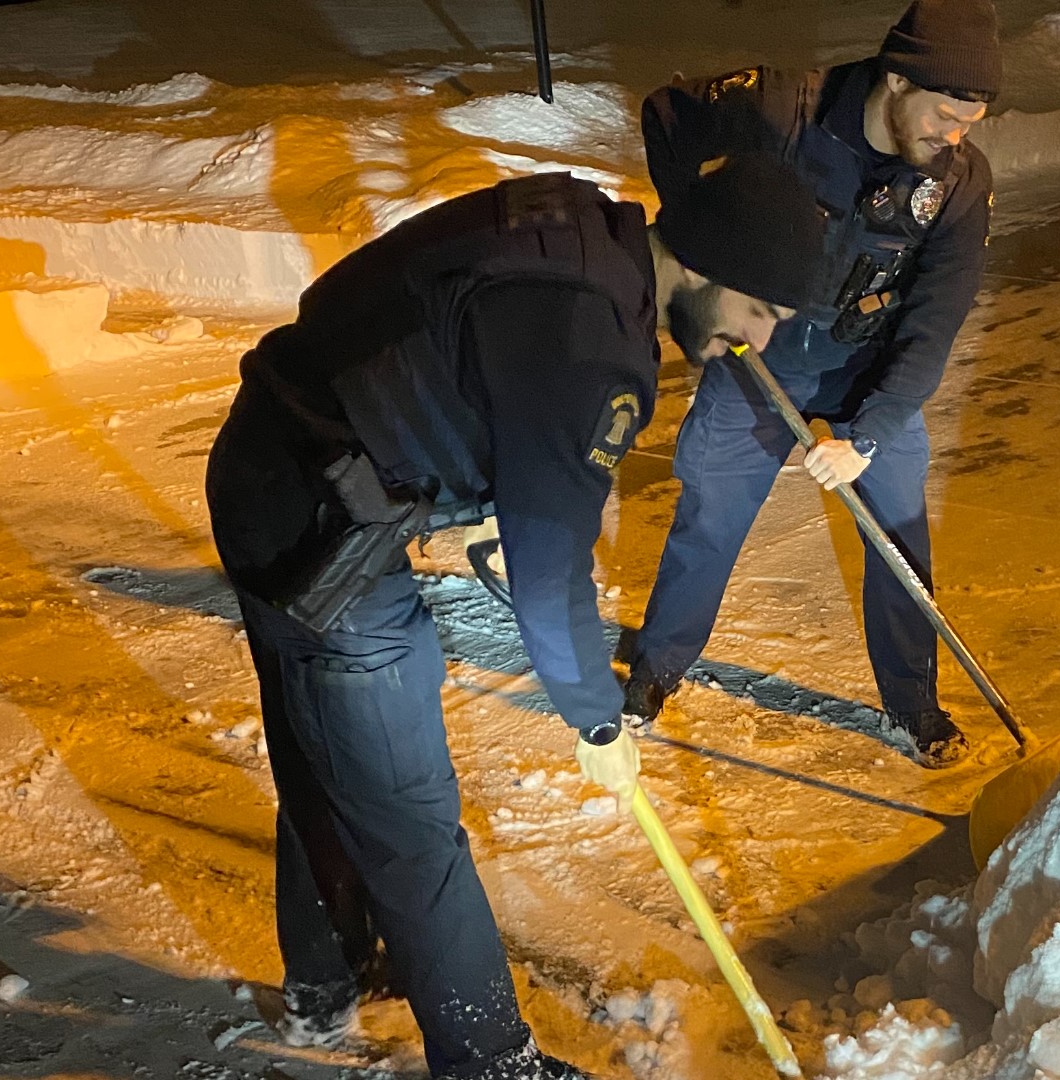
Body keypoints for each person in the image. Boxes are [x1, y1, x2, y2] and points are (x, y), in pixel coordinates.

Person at [203, 155, 825, 1079]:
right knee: (406, 807)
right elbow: (549, 568)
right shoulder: (592, 346)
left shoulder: (577, 230)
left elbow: (425, 332)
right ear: (701, 261)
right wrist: (595, 715)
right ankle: (490, 1062)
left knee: (326, 741)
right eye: (760, 309)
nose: (759, 340)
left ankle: (325, 984)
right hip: (320, 521)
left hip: (277, 457)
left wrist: (467, 476)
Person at [622, 0, 1001, 767]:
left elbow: (935, 321)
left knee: (898, 537)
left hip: (869, 374)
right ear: (898, 80)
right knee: (708, 520)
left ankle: (913, 704)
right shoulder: (781, 109)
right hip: (757, 363)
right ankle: (655, 670)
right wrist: (706, 243)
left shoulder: (958, 183)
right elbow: (665, 115)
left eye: (969, 123)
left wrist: (871, 435)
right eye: (944, 116)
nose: (953, 136)